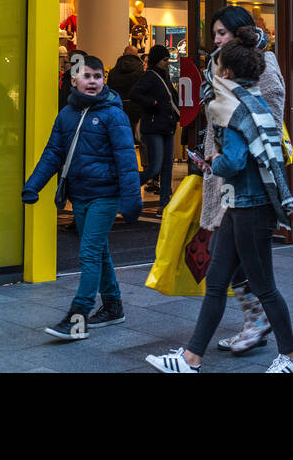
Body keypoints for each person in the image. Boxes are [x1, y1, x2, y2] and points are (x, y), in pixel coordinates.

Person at [145, 27, 293, 373]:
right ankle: (191, 358)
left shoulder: (231, 110)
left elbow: (233, 160)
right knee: (217, 282)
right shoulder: (255, 101)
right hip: (243, 205)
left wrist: (213, 161)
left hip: (248, 207)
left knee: (265, 287)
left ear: (226, 73)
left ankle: (292, 359)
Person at [22, 54, 142, 338]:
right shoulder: (66, 114)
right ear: (73, 79)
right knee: (99, 252)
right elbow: (53, 153)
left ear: (104, 80)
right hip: (79, 194)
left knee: (88, 252)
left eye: (98, 77)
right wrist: (33, 185)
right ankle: (113, 306)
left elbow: (126, 161)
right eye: (86, 76)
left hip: (104, 195)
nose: (92, 82)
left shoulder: (114, 114)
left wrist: (132, 201)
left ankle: (78, 316)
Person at [199, 5, 287, 354]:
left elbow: (270, 118)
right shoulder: (218, 66)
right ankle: (260, 326)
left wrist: (228, 153)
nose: (216, 39)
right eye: (215, 33)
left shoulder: (262, 65)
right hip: (224, 174)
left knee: (240, 265)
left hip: (247, 180)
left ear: (241, 33)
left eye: (223, 33)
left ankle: (271, 335)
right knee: (231, 262)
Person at [129, 45, 180, 208]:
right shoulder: (150, 76)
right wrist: (152, 103)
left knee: (166, 166)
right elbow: (134, 93)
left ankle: (164, 203)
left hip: (166, 126)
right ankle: (127, 187)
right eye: (165, 60)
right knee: (155, 167)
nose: (167, 62)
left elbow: (171, 97)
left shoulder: (163, 76)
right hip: (154, 127)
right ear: (157, 60)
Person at [107, 45, 147, 181]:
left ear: (123, 54)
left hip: (119, 111)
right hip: (138, 110)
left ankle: (121, 172)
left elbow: (110, 93)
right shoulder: (141, 71)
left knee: (121, 144)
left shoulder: (113, 72)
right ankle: (145, 173)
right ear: (136, 55)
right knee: (142, 143)